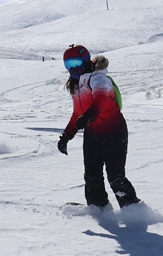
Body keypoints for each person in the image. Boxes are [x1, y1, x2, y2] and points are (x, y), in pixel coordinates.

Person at [57, 44, 140, 209]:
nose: (73, 68)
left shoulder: (98, 78)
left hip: (114, 132)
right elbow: (77, 114)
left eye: (76, 63)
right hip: (92, 135)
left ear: (86, 60)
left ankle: (134, 212)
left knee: (116, 177)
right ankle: (99, 209)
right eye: (68, 65)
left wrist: (89, 116)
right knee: (92, 176)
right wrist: (66, 136)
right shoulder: (76, 86)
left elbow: (101, 99)